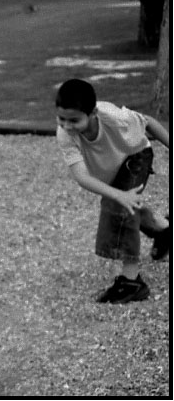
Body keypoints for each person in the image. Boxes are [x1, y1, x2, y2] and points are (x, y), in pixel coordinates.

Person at [55, 78, 170, 304]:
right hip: (113, 167)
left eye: (74, 120)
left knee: (118, 205)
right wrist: (118, 193)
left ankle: (132, 282)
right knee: (122, 200)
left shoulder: (114, 117)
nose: (67, 126)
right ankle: (164, 229)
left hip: (136, 155)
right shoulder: (65, 134)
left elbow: (148, 122)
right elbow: (81, 176)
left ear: (93, 113)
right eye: (61, 119)